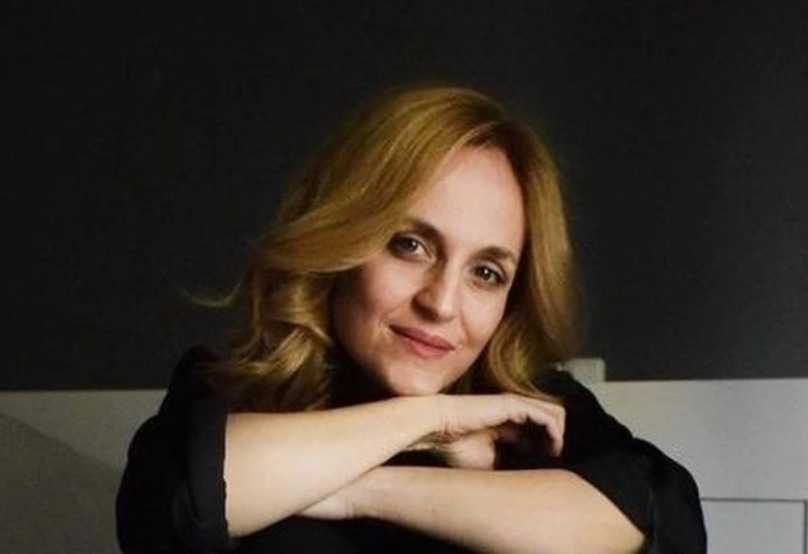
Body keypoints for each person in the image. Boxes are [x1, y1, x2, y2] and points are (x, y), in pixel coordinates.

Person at [117, 84, 707, 553]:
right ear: (343, 239)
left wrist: (362, 491)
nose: (442, 304)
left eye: (486, 273)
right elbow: (184, 502)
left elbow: (659, 520)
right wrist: (432, 419)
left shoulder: (536, 417)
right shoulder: (235, 394)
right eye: (410, 245)